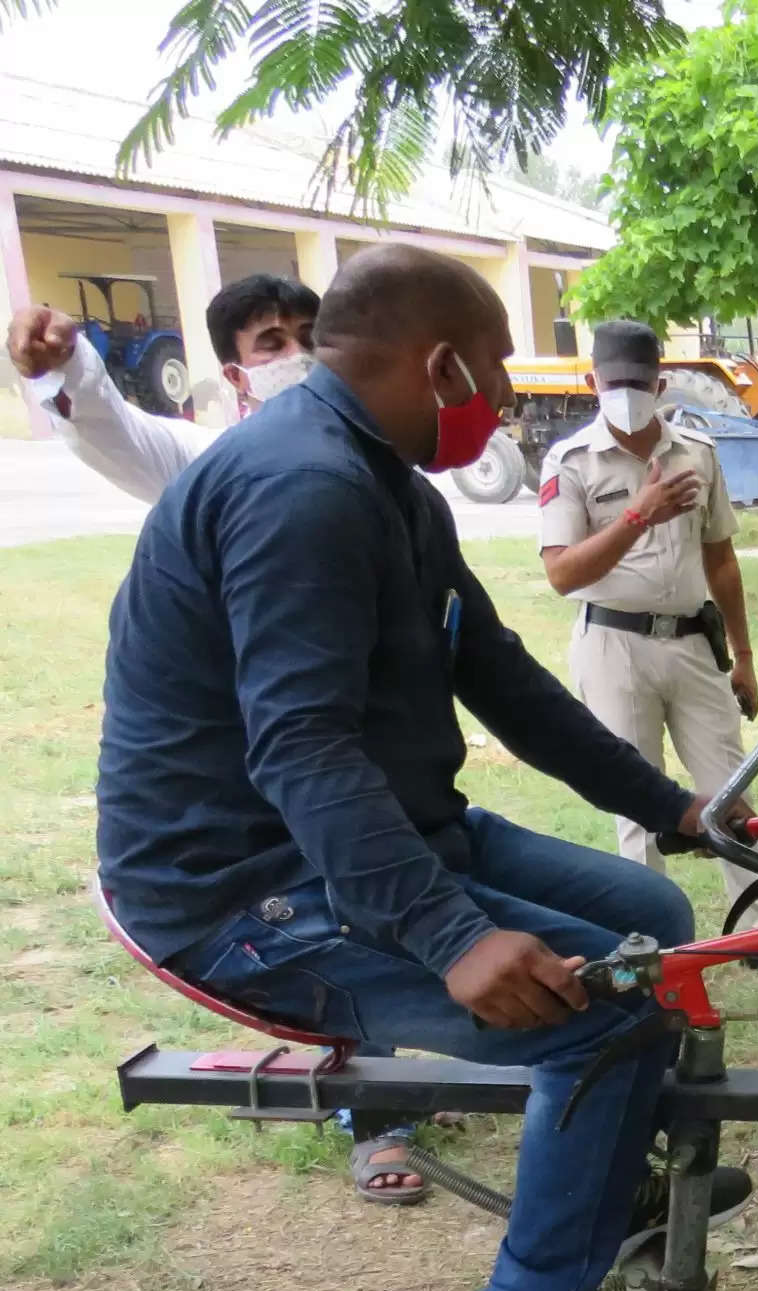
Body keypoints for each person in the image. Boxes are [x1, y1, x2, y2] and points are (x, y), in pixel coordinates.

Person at [96, 244, 750, 1291]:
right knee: (603, 1011)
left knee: (650, 909)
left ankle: (604, 1167)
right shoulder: (304, 489)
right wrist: (454, 937)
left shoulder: (390, 485)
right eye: (494, 371)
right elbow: (297, 745)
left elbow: (498, 675)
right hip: (241, 886)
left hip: (366, 827)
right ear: (441, 364)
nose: (501, 398)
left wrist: (675, 808)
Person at [10, 273, 446, 1205]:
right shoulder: (218, 462)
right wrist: (74, 368)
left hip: (352, 742)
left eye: (303, 331)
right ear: (231, 370)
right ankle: (380, 1121)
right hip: (267, 773)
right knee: (342, 914)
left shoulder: (368, 464)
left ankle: (441, 1056)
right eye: (266, 341)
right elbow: (115, 435)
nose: (289, 350)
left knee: (400, 887)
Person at [539, 319, 758, 926]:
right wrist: (637, 516)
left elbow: (721, 560)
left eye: (639, 381)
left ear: (660, 383)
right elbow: (562, 574)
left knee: (729, 787)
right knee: (635, 801)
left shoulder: (698, 454)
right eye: (614, 382)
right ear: (593, 382)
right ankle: (652, 941)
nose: (627, 392)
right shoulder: (571, 462)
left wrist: (743, 658)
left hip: (693, 642)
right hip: (613, 644)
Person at [8, 273, 319, 499]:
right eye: (272, 344)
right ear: (235, 376)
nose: (300, 355)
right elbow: (110, 425)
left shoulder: (364, 439)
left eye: (310, 339)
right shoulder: (211, 463)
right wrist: (66, 359)